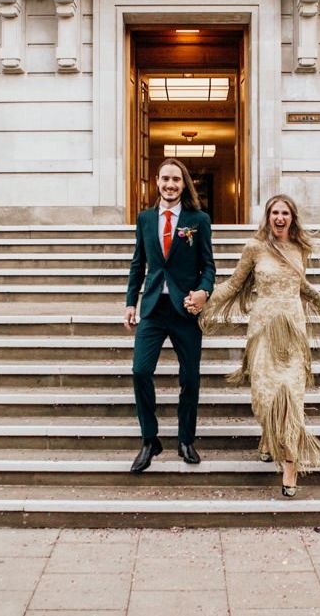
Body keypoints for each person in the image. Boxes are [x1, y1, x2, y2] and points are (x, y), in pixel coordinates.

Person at [189, 194, 320, 496]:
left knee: (291, 397)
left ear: (292, 217)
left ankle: (290, 464)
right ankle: (268, 435)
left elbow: (302, 286)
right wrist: (204, 299)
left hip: (294, 332)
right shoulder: (254, 248)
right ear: (268, 217)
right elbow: (234, 284)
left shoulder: (300, 248)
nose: (280, 218)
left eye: (285, 213)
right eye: (275, 213)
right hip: (262, 331)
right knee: (263, 397)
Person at [124, 158, 216, 473]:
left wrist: (204, 292)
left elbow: (209, 267)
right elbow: (139, 263)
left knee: (190, 378)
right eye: (165, 179)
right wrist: (130, 302)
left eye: (176, 179)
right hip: (152, 308)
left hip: (185, 309)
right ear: (157, 182)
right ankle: (150, 440)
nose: (170, 185)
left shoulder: (198, 220)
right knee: (140, 371)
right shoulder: (145, 219)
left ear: (183, 183)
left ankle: (185, 440)